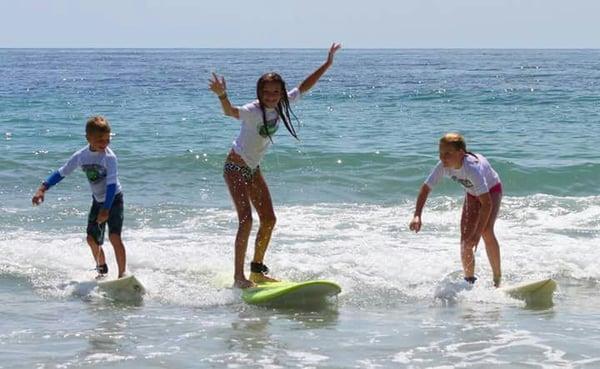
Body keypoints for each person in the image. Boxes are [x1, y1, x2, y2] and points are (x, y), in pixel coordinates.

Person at [209, 43, 342, 288]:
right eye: (267, 92)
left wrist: (327, 63)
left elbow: (304, 86)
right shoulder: (252, 110)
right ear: (260, 93)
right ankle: (239, 278)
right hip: (235, 167)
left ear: (280, 93)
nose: (271, 96)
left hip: (253, 169)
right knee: (246, 220)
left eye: (275, 92)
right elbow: (229, 112)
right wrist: (222, 94)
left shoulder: (282, 105)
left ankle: (257, 271)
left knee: (269, 220)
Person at [32, 116, 127, 279]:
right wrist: (43, 188)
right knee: (91, 239)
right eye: (99, 140)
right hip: (98, 201)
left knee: (114, 236)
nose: (104, 144)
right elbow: (62, 172)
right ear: (88, 138)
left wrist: (106, 209)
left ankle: (122, 275)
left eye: (107, 140)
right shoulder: (81, 156)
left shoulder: (110, 157)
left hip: (114, 199)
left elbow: (111, 185)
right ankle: (102, 270)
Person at [409, 133, 503, 287]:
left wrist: (477, 233)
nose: (442, 158)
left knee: (486, 230)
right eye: (440, 153)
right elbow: (425, 189)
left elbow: (486, 204)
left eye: (447, 154)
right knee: (466, 240)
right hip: (472, 194)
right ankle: (469, 281)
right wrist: (417, 215)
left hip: (491, 190)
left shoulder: (472, 169)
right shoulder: (443, 166)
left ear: (461, 153)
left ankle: (497, 279)